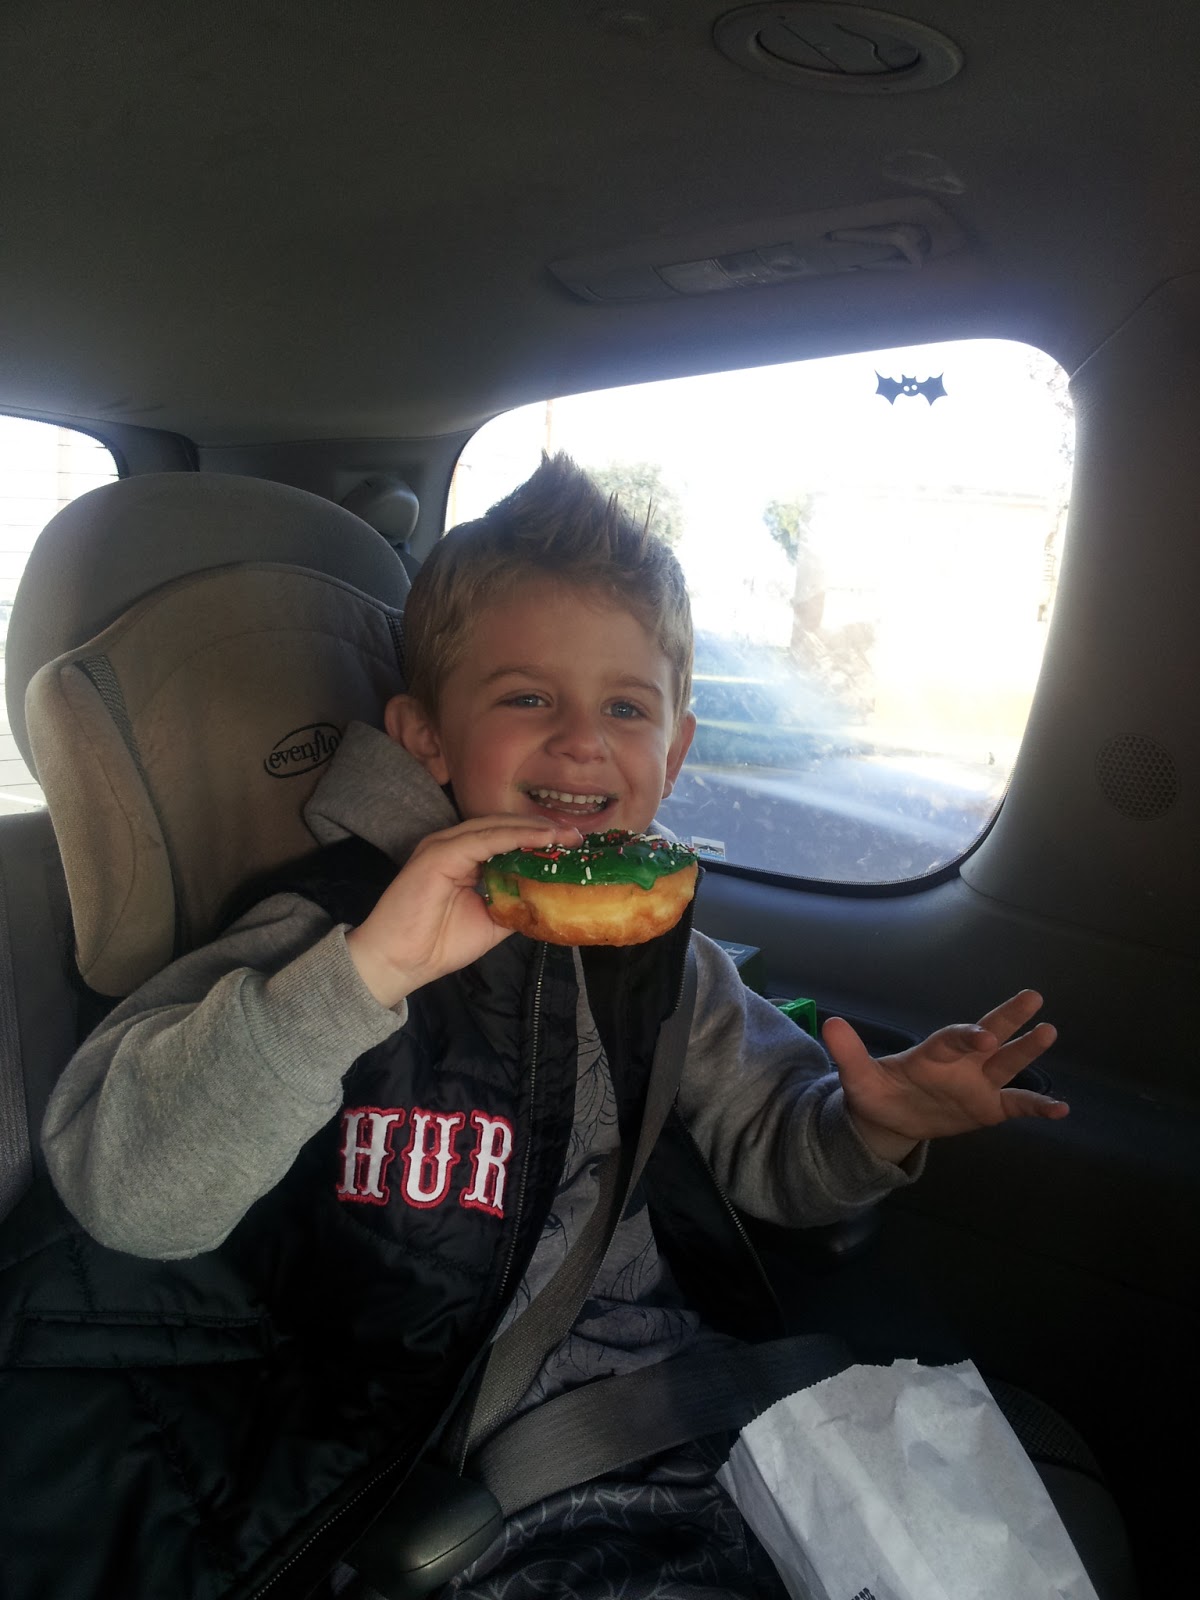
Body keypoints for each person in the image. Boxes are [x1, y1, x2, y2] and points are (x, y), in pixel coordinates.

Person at [32, 454, 1063, 1599]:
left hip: (700, 1415)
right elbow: (130, 1195)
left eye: (625, 707)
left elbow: (776, 1156)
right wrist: (363, 975)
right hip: (453, 1479)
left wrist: (867, 1130)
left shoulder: (669, 957)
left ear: (674, 751)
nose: (582, 739)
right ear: (426, 738)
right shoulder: (325, 936)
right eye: (528, 698)